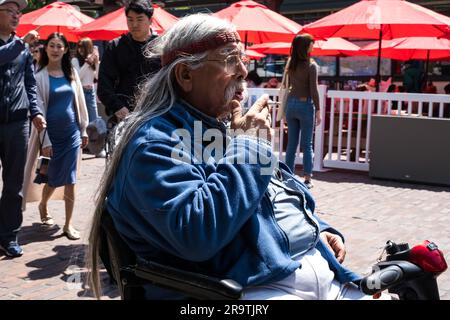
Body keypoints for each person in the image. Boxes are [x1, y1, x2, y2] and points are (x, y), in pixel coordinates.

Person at [87, 14, 388, 300]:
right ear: (185, 74)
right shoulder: (154, 142)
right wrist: (250, 147)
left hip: (312, 274)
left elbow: (277, 192)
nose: (244, 71)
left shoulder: (211, 128)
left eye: (242, 60)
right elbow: (197, 231)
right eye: (231, 60)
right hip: (242, 291)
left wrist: (316, 228)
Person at [22, 32, 89, 241]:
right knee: (52, 177)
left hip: (72, 134)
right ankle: (43, 204)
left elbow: (81, 102)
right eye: (51, 45)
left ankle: (68, 224)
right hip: (49, 135)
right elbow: (37, 108)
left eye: (59, 46)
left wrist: (84, 128)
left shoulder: (72, 73)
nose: (55, 49)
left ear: (66, 49)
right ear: (46, 48)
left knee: (71, 179)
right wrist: (46, 140)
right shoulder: (39, 75)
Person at [0, 0, 46, 257]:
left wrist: (36, 111)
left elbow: (30, 83)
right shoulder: (20, 45)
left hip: (18, 123)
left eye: (19, 12)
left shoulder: (23, 50)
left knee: (14, 183)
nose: (17, 16)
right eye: (10, 11)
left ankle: (9, 236)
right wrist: (21, 44)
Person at [97, 0, 161, 122]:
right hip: (124, 114)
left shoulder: (162, 46)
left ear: (150, 20)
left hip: (156, 113)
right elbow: (104, 85)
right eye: (130, 19)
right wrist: (118, 107)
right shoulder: (115, 46)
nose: (134, 24)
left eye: (139, 19)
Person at [282, 34, 321, 189]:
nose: (313, 47)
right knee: (307, 144)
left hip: (290, 105)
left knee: (291, 144)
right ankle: (307, 178)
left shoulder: (290, 64)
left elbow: (288, 85)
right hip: (305, 105)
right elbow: (314, 90)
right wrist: (318, 109)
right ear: (306, 47)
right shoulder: (311, 66)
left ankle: (287, 175)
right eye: (311, 44)